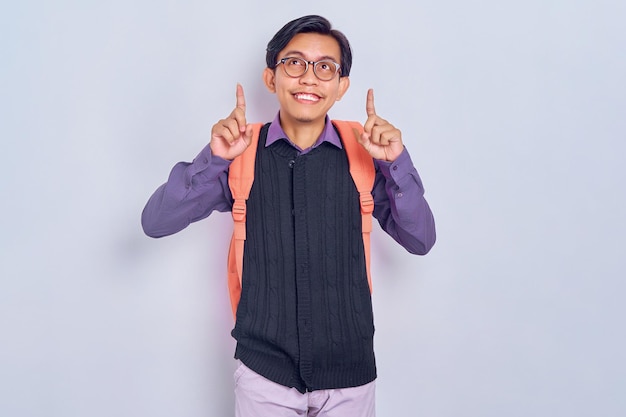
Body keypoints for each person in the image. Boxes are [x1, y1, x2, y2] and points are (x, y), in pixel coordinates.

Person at [142, 14, 435, 417]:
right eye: (294, 63)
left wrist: (396, 164)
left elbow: (420, 240)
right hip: (265, 375)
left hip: (349, 375)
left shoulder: (365, 153)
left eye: (324, 67)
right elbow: (155, 222)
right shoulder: (240, 151)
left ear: (340, 86)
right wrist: (212, 160)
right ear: (271, 78)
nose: (308, 78)